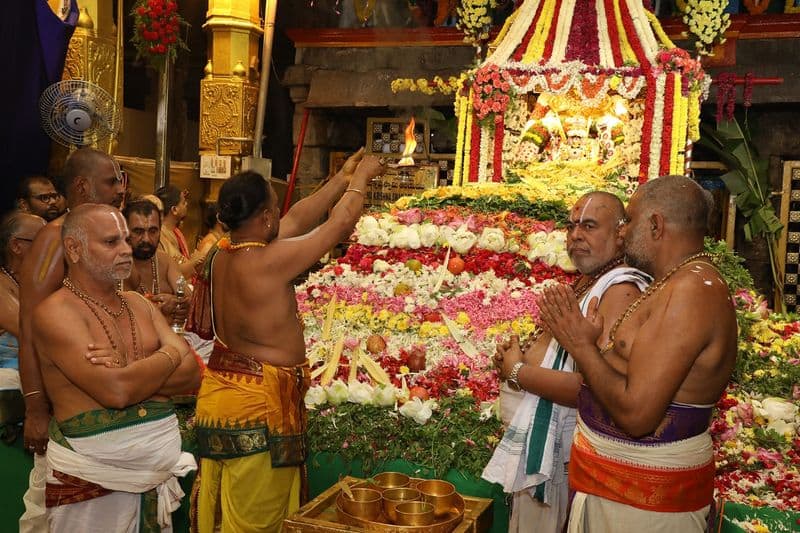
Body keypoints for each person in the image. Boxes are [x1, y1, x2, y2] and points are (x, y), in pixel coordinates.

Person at [193, 151, 384, 532]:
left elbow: (297, 219)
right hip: (259, 408)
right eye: (275, 209)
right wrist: (363, 177)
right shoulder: (268, 261)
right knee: (257, 517)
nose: (282, 215)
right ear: (263, 218)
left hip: (225, 394)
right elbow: (339, 224)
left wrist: (340, 179)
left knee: (225, 505)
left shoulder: (222, 251)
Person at [538, 175, 737, 532]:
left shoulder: (691, 290)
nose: (623, 232)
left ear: (656, 225)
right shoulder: (669, 282)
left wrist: (582, 347)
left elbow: (637, 415)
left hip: (645, 501)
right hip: (612, 487)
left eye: (628, 220)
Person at [487, 192, 650, 533]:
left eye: (589, 226)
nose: (575, 235)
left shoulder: (620, 290)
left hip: (566, 461)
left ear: (621, 234)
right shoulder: (592, 280)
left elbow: (593, 386)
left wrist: (517, 371)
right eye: (572, 226)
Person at [32, 204, 200, 532]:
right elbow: (117, 392)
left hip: (152, 479)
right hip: (89, 486)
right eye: (111, 242)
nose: (126, 250)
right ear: (74, 249)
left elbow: (192, 372)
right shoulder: (56, 313)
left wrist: (129, 368)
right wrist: (169, 354)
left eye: (125, 240)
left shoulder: (138, 303)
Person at [17, 147, 126, 533]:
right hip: (64, 403)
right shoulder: (55, 237)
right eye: (111, 181)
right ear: (82, 185)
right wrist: (34, 408)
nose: (121, 189)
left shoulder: (104, 238)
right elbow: (30, 324)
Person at [121, 199, 191, 325]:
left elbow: (189, 299)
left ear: (160, 231)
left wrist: (176, 302)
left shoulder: (165, 261)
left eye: (153, 231)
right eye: (138, 231)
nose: (146, 239)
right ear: (125, 231)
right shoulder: (115, 265)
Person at [0, 212, 46, 369]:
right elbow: (33, 335)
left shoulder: (42, 282)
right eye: (42, 240)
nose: (51, 247)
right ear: (16, 246)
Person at [155, 185, 203, 279]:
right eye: (183, 202)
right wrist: (194, 261)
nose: (186, 205)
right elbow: (167, 272)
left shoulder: (176, 232)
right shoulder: (159, 235)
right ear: (174, 210)